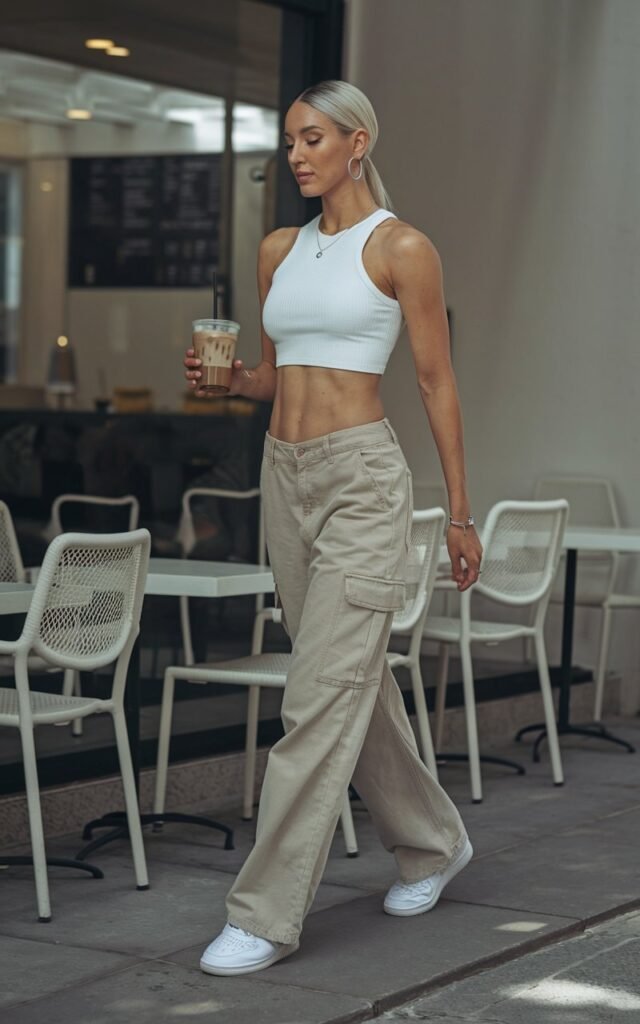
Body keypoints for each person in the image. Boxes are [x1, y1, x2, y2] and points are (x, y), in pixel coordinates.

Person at [183, 79, 483, 977]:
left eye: (314, 138)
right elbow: (275, 376)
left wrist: (460, 514)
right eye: (289, 142)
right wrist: (228, 382)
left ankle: (265, 914)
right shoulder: (279, 249)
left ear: (359, 143)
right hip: (287, 479)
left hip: (362, 483)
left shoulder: (401, 249)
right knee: (352, 682)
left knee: (314, 697)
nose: (298, 154)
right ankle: (433, 841)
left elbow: (436, 384)